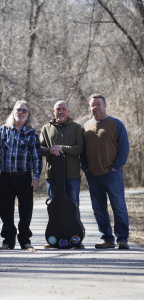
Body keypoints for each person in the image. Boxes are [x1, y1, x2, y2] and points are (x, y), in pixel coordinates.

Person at [0, 100, 42, 250]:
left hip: (24, 177)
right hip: (6, 176)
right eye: (19, 110)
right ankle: (8, 240)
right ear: (13, 111)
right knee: (5, 210)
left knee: (26, 209)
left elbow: (36, 157)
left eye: (24, 110)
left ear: (28, 114)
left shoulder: (32, 134)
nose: (21, 113)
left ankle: (25, 240)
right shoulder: (2, 131)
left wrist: (36, 176)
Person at [81, 94, 130, 249]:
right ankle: (107, 239)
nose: (96, 107)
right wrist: (86, 168)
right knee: (99, 210)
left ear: (104, 105)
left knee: (119, 207)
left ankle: (122, 239)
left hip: (112, 174)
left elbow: (124, 147)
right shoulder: (85, 126)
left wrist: (116, 166)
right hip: (93, 175)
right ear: (90, 108)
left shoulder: (116, 124)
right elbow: (82, 151)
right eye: (93, 105)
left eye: (98, 104)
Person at [40, 100, 84, 248]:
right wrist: (50, 150)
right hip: (52, 175)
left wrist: (62, 148)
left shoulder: (76, 128)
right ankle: (55, 237)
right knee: (54, 207)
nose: (61, 112)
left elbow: (80, 148)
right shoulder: (46, 128)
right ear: (53, 111)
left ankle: (76, 239)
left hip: (71, 175)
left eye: (63, 109)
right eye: (58, 109)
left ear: (68, 112)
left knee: (73, 205)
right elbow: (40, 149)